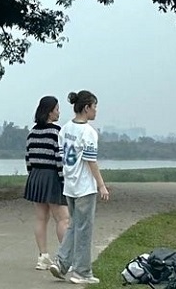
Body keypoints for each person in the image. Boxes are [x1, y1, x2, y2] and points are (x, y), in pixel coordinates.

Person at [47, 90, 110, 286]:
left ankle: (62, 262)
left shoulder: (65, 129)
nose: (96, 111)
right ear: (86, 108)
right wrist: (101, 185)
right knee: (84, 229)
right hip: (84, 187)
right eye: (94, 107)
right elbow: (91, 161)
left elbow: (61, 156)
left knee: (74, 225)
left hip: (70, 185)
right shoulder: (88, 132)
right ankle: (82, 271)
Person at [24, 95, 70, 271]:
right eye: (57, 109)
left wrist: (33, 174)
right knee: (63, 218)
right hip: (52, 176)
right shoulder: (56, 132)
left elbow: (28, 158)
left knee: (41, 218)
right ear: (50, 112)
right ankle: (65, 258)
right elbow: (59, 159)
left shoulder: (32, 133)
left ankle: (43, 256)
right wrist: (63, 179)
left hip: (36, 175)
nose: (59, 112)